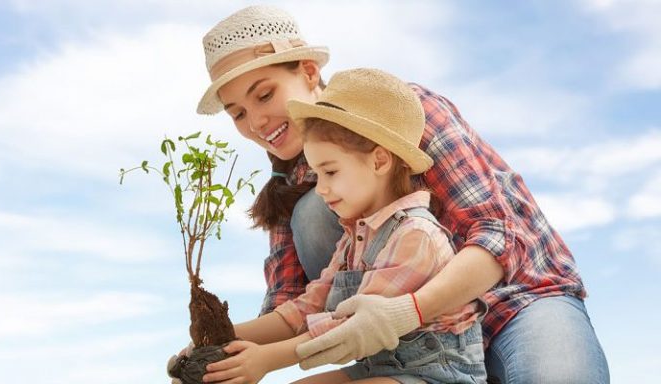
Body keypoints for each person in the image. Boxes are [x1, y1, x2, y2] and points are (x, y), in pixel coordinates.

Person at [169, 5, 609, 383]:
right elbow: (294, 304)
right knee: (311, 211)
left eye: (265, 95)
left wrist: (406, 311)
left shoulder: (401, 113)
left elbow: (495, 235)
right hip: (403, 344)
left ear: (308, 72)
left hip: (513, 300)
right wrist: (216, 350)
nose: (257, 122)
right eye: (238, 113)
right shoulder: (293, 185)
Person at [203, 67, 489, 383]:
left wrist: (267, 360)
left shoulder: (415, 235)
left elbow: (350, 326)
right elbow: (309, 306)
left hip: (437, 373)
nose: (320, 187)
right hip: (381, 365)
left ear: (379, 161)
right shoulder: (355, 235)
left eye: (330, 172)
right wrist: (222, 340)